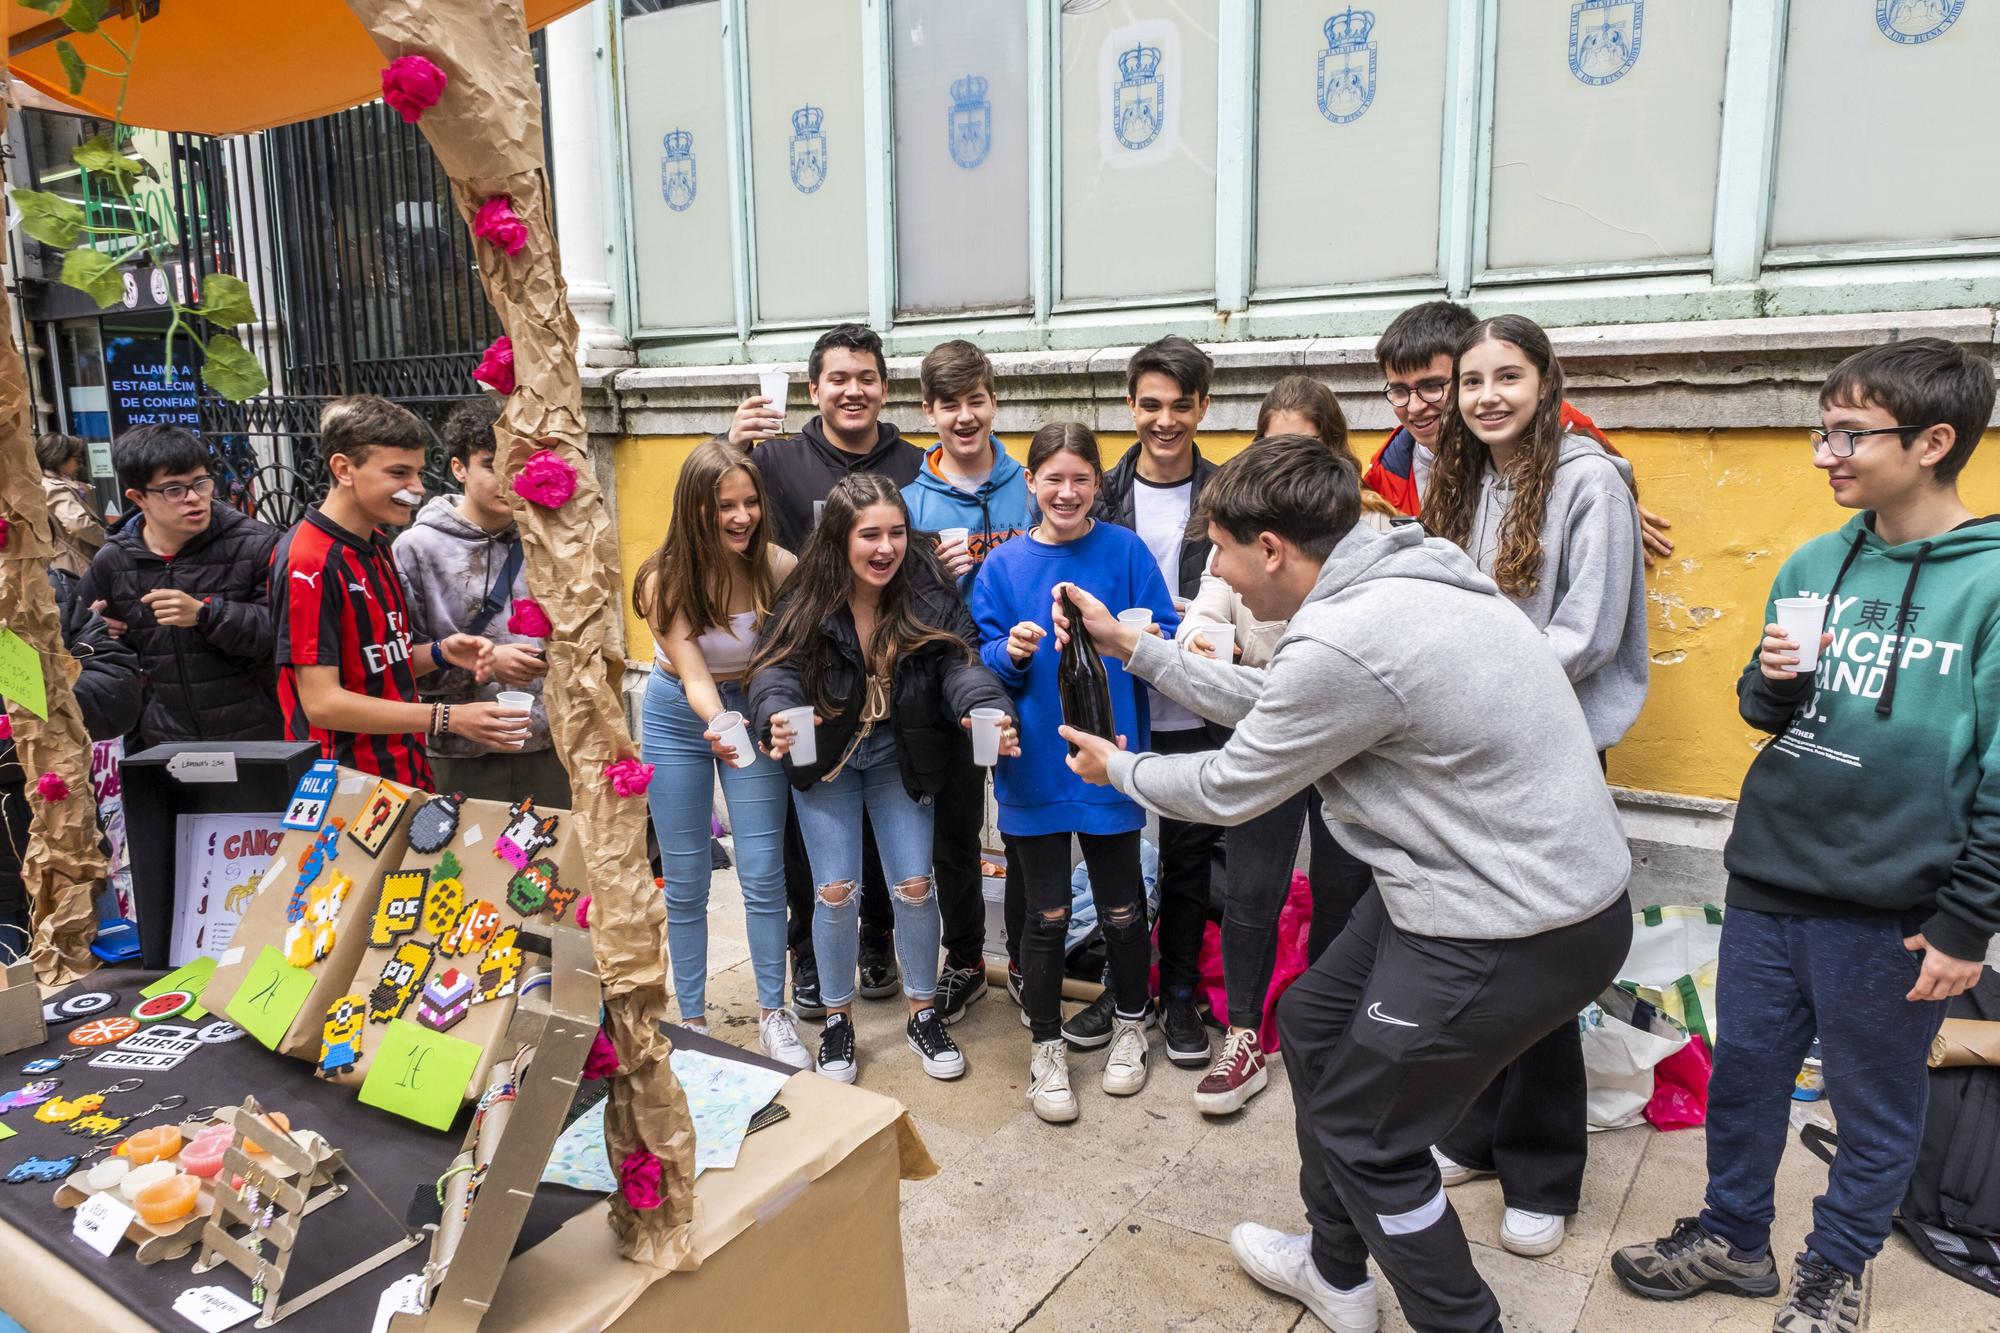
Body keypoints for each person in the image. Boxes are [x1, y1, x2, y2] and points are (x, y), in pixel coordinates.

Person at [1056, 434, 1632, 1332]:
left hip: (1507, 924)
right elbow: (1299, 705)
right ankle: (1335, 1270)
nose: (1223, 575)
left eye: (1223, 552)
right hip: (1481, 890)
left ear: (1273, 547)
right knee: (1317, 1023)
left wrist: (1121, 769)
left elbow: (1229, 784)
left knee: (1372, 1139)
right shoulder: (1408, 571)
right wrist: (1139, 650)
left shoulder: (1347, 635)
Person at [1613, 337, 1999, 1333]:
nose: (1824, 452)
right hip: (1771, 882)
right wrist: (1775, 683)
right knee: (1742, 1079)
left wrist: (1964, 923)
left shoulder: (1988, 583)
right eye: (1821, 430)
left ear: (1932, 441)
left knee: (1872, 1108)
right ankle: (1734, 1236)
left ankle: (1834, 1265)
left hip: (1892, 913)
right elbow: (1761, 705)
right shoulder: (1814, 557)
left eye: (1847, 433)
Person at [1420, 313, 1650, 1259]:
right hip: (1473, 747)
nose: (1486, 397)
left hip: (1548, 746)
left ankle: (1544, 1171)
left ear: (1548, 380)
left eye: (1506, 377)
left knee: (1542, 958)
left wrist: (1470, 694)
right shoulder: (1461, 477)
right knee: (1476, 947)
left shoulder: (1591, 480)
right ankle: (1473, 1132)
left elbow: (1588, 632)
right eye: (1470, 382)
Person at [1172, 376, 1395, 1115]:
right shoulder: (1239, 532)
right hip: (1262, 722)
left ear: (1333, 455)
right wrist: (1202, 641)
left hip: (1346, 740)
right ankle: (1242, 1036)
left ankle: (1332, 1037)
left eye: (1305, 446)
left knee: (1343, 886)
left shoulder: (1372, 533)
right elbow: (1207, 609)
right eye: (1273, 446)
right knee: (1252, 887)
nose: (1286, 464)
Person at [748, 472, 1016, 1084]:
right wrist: (777, 716)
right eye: (869, 534)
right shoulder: (806, 597)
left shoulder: (926, 591)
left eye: (896, 532)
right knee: (835, 890)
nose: (885, 548)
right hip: (832, 759)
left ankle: (923, 1013)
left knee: (915, 885)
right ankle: (837, 1022)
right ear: (840, 539)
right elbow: (773, 671)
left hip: (902, 756)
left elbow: (961, 661)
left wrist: (983, 707)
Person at [970, 423, 1179, 1122]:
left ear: (1098, 484)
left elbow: (1169, 633)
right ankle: (1045, 1044)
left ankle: (1128, 1022)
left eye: (1080, 478)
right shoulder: (1001, 565)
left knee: (1123, 904)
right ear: (1029, 483)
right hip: (1032, 758)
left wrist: (1128, 630)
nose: (1066, 491)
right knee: (1047, 910)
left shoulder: (1123, 551)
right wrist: (1015, 649)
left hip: (1111, 752)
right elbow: (980, 653)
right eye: (1052, 478)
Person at [726, 323, 922, 1013]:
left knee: (884, 826)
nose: (853, 390)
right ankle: (807, 955)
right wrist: (733, 443)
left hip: (885, 676)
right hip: (804, 672)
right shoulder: (777, 460)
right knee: (806, 831)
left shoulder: (914, 463)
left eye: (867, 377)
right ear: (814, 389)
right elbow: (714, 504)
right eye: (839, 378)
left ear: (884, 388)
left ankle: (877, 945)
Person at [1065, 335, 1222, 1070]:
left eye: (1180, 406)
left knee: (1190, 854)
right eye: (1150, 404)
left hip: (1193, 699)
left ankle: (1181, 991)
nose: (1165, 420)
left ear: (1202, 406)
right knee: (1115, 851)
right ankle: (1122, 985)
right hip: (1117, 702)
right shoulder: (1099, 494)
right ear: (1130, 405)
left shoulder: (1226, 490)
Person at [632, 439, 806, 1067]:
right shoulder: (662, 577)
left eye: (749, 502)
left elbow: (790, 655)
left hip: (752, 708)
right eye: (723, 506)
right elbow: (695, 674)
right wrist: (720, 723)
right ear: (693, 509)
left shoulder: (779, 567)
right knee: (683, 878)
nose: (741, 516)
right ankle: (695, 1022)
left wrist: (759, 718)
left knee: (762, 870)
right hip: (681, 709)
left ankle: (773, 1011)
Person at [272, 396, 518, 788]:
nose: (417, 489)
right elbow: (322, 703)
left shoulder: (378, 545)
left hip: (403, 773)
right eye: (399, 473)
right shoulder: (310, 561)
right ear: (343, 468)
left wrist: (443, 652)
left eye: (418, 473)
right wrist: (448, 717)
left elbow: (378, 665)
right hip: (345, 784)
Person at [901, 338, 1035, 1023]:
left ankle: (1022, 958)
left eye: (975, 399)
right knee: (952, 833)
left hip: (1026, 679)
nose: (963, 416)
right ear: (928, 410)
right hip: (941, 686)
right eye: (948, 403)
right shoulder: (909, 501)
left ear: (993, 401)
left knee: (1021, 826)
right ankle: (964, 959)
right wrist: (932, 572)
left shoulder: (1028, 484)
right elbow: (894, 599)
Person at [1362, 299, 1675, 563]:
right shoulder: (1386, 469)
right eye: (1399, 391)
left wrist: (1612, 501)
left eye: (1432, 386)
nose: (1415, 407)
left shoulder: (1564, 449)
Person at [393, 398, 570, 805]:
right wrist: (487, 662)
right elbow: (398, 666)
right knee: (462, 866)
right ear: (459, 468)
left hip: (548, 745)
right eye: (492, 464)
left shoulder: (550, 539)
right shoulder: (417, 549)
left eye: (519, 464)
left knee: (545, 867)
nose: (509, 478)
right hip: (460, 752)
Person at [79, 424, 283, 748]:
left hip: (261, 735)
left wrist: (206, 615)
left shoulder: (258, 544)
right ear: (138, 497)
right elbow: (82, 640)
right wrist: (95, 631)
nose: (194, 499)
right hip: (164, 741)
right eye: (173, 490)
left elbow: (285, 632)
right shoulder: (114, 560)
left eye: (201, 483)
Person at [0, 568, 142, 960]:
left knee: (99, 1004)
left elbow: (118, 694)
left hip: (76, 858)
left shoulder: (43, 588)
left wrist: (27, 704)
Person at [36, 433, 104, 578]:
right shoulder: (55, 487)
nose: (80, 465)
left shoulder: (44, 483)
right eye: (77, 459)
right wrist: (108, 540)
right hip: (75, 563)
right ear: (59, 458)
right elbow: (78, 524)